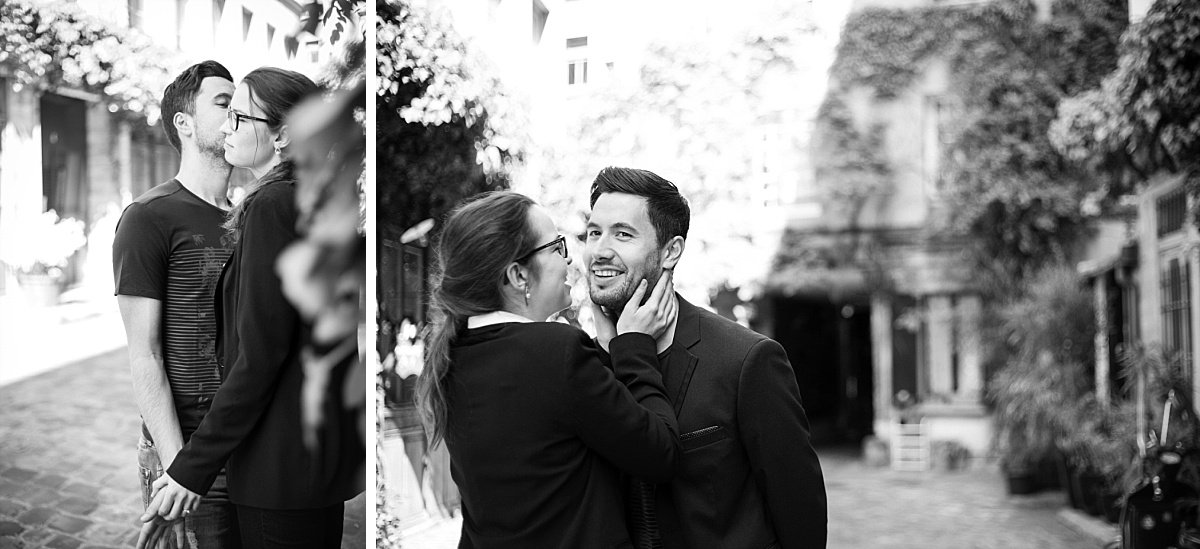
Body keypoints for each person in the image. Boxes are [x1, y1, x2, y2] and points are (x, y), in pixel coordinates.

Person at [136, 67, 364, 548]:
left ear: (282, 133)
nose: (226, 128)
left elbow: (259, 358)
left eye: (239, 117)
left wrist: (190, 470)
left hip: (277, 471)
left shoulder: (272, 205)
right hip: (310, 463)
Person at [417, 190, 681, 548]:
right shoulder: (555, 351)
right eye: (556, 247)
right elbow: (660, 454)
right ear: (518, 276)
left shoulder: (452, 357)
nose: (571, 260)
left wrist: (606, 350)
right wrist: (634, 347)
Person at [584, 167, 828, 549]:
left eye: (623, 234)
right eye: (594, 232)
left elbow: (802, 518)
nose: (599, 250)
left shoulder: (747, 360)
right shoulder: (585, 364)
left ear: (670, 251)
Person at [113, 60, 241, 549]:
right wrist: (180, 467)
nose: (236, 116)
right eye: (223, 103)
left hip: (247, 444)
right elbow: (144, 356)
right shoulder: (149, 217)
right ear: (184, 123)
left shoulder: (249, 218)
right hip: (185, 450)